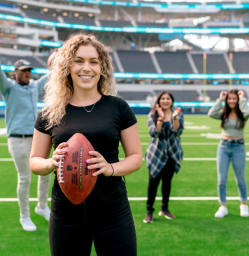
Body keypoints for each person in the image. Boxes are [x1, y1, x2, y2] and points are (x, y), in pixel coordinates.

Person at [29, 33, 142, 256]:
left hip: (112, 210)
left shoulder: (118, 107)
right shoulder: (50, 112)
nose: (86, 68)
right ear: (67, 67)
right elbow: (34, 161)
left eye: (93, 61)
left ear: (102, 68)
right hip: (66, 213)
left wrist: (110, 168)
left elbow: (136, 157)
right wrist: (52, 162)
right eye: (78, 61)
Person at [0, 58, 51, 231]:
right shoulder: (8, 88)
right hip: (17, 139)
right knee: (24, 178)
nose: (27, 73)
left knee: (46, 173)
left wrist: (59, 58)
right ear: (15, 73)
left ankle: (42, 206)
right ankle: (25, 216)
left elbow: (51, 75)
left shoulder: (34, 86)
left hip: (36, 138)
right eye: (23, 70)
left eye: (28, 70)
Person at [208, 89, 249, 218]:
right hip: (224, 147)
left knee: (240, 178)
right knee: (222, 179)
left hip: (238, 147)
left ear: (237, 100)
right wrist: (220, 100)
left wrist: (243, 99)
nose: (232, 101)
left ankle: (243, 204)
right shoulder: (223, 113)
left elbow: (248, 112)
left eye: (234, 99)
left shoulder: (242, 113)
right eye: (229, 99)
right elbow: (211, 113)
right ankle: (223, 206)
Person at [143, 91, 184, 223]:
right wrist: (160, 118)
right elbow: (154, 133)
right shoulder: (152, 114)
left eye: (168, 98)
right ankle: (149, 211)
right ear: (159, 101)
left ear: (172, 101)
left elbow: (177, 132)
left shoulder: (177, 113)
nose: (165, 101)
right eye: (163, 98)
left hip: (172, 153)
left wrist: (175, 118)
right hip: (156, 154)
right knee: (153, 184)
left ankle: (164, 209)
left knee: (167, 183)